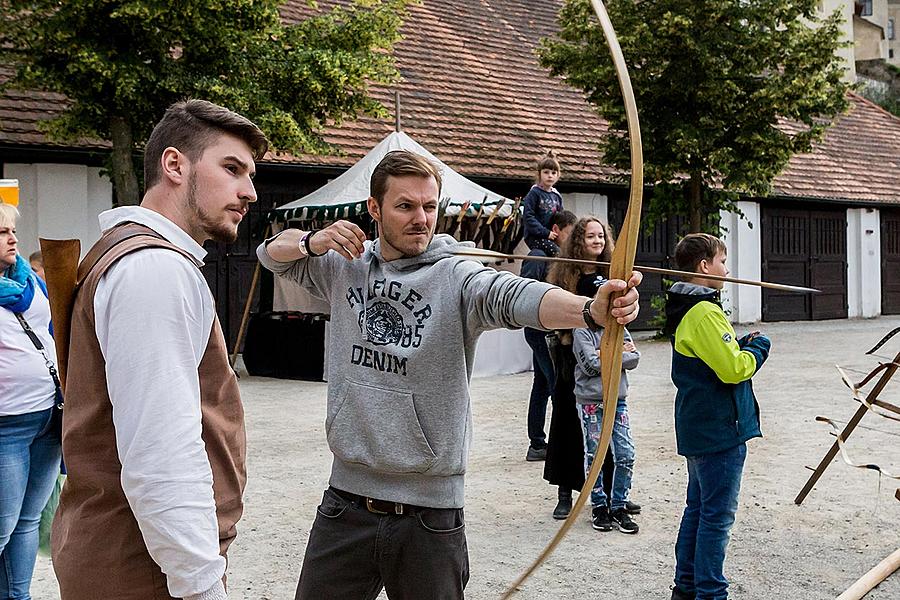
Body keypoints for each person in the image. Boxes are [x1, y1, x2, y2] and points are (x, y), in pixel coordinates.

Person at [256, 150, 642, 600]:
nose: (421, 218)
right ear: (374, 209)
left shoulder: (458, 276)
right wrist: (312, 242)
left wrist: (590, 311)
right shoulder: (344, 264)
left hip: (430, 516)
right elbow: (270, 255)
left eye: (429, 206)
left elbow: (515, 295)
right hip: (345, 504)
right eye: (405, 206)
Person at [51, 100, 268, 600]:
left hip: (126, 554)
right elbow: (160, 452)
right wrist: (201, 585)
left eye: (250, 175)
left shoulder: (130, 252)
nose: (249, 192)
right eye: (231, 169)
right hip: (141, 567)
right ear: (175, 165)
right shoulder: (154, 269)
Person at [664, 233, 771, 600]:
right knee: (716, 518)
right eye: (722, 261)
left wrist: (737, 343)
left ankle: (688, 587)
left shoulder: (693, 309)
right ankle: (710, 593)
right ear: (704, 266)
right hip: (717, 431)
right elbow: (732, 370)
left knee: (699, 509)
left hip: (702, 429)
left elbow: (712, 356)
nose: (727, 269)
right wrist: (758, 348)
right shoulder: (704, 312)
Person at [543, 216, 642, 520]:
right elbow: (557, 313)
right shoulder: (565, 277)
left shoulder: (611, 273)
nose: (597, 242)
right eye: (590, 237)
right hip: (571, 356)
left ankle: (613, 494)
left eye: (601, 236)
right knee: (566, 423)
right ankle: (565, 492)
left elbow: (620, 316)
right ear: (578, 242)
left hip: (604, 353)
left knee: (608, 426)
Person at [0, 202, 62, 600]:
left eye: (12, 230)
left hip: (48, 416)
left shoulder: (26, 279)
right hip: (6, 425)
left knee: (28, 520)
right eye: (2, 232)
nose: (13, 238)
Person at [572, 323, 640, 533]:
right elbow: (591, 364)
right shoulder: (581, 330)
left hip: (617, 398)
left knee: (626, 453)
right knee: (595, 455)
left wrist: (604, 354)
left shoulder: (620, 328)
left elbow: (635, 358)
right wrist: (619, 352)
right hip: (591, 401)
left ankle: (620, 505)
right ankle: (599, 505)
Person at [521, 209, 577, 461]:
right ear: (556, 230)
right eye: (570, 233)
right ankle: (556, 444)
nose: (573, 239)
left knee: (542, 384)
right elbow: (527, 293)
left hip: (547, 329)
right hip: (539, 331)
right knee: (556, 384)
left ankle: (538, 443)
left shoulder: (557, 257)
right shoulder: (538, 256)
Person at [522, 151, 564, 255]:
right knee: (557, 254)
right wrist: (545, 233)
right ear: (539, 174)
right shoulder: (534, 193)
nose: (550, 176)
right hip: (535, 237)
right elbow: (528, 217)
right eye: (546, 172)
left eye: (553, 173)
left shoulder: (557, 196)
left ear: (558, 175)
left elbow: (561, 218)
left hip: (552, 236)